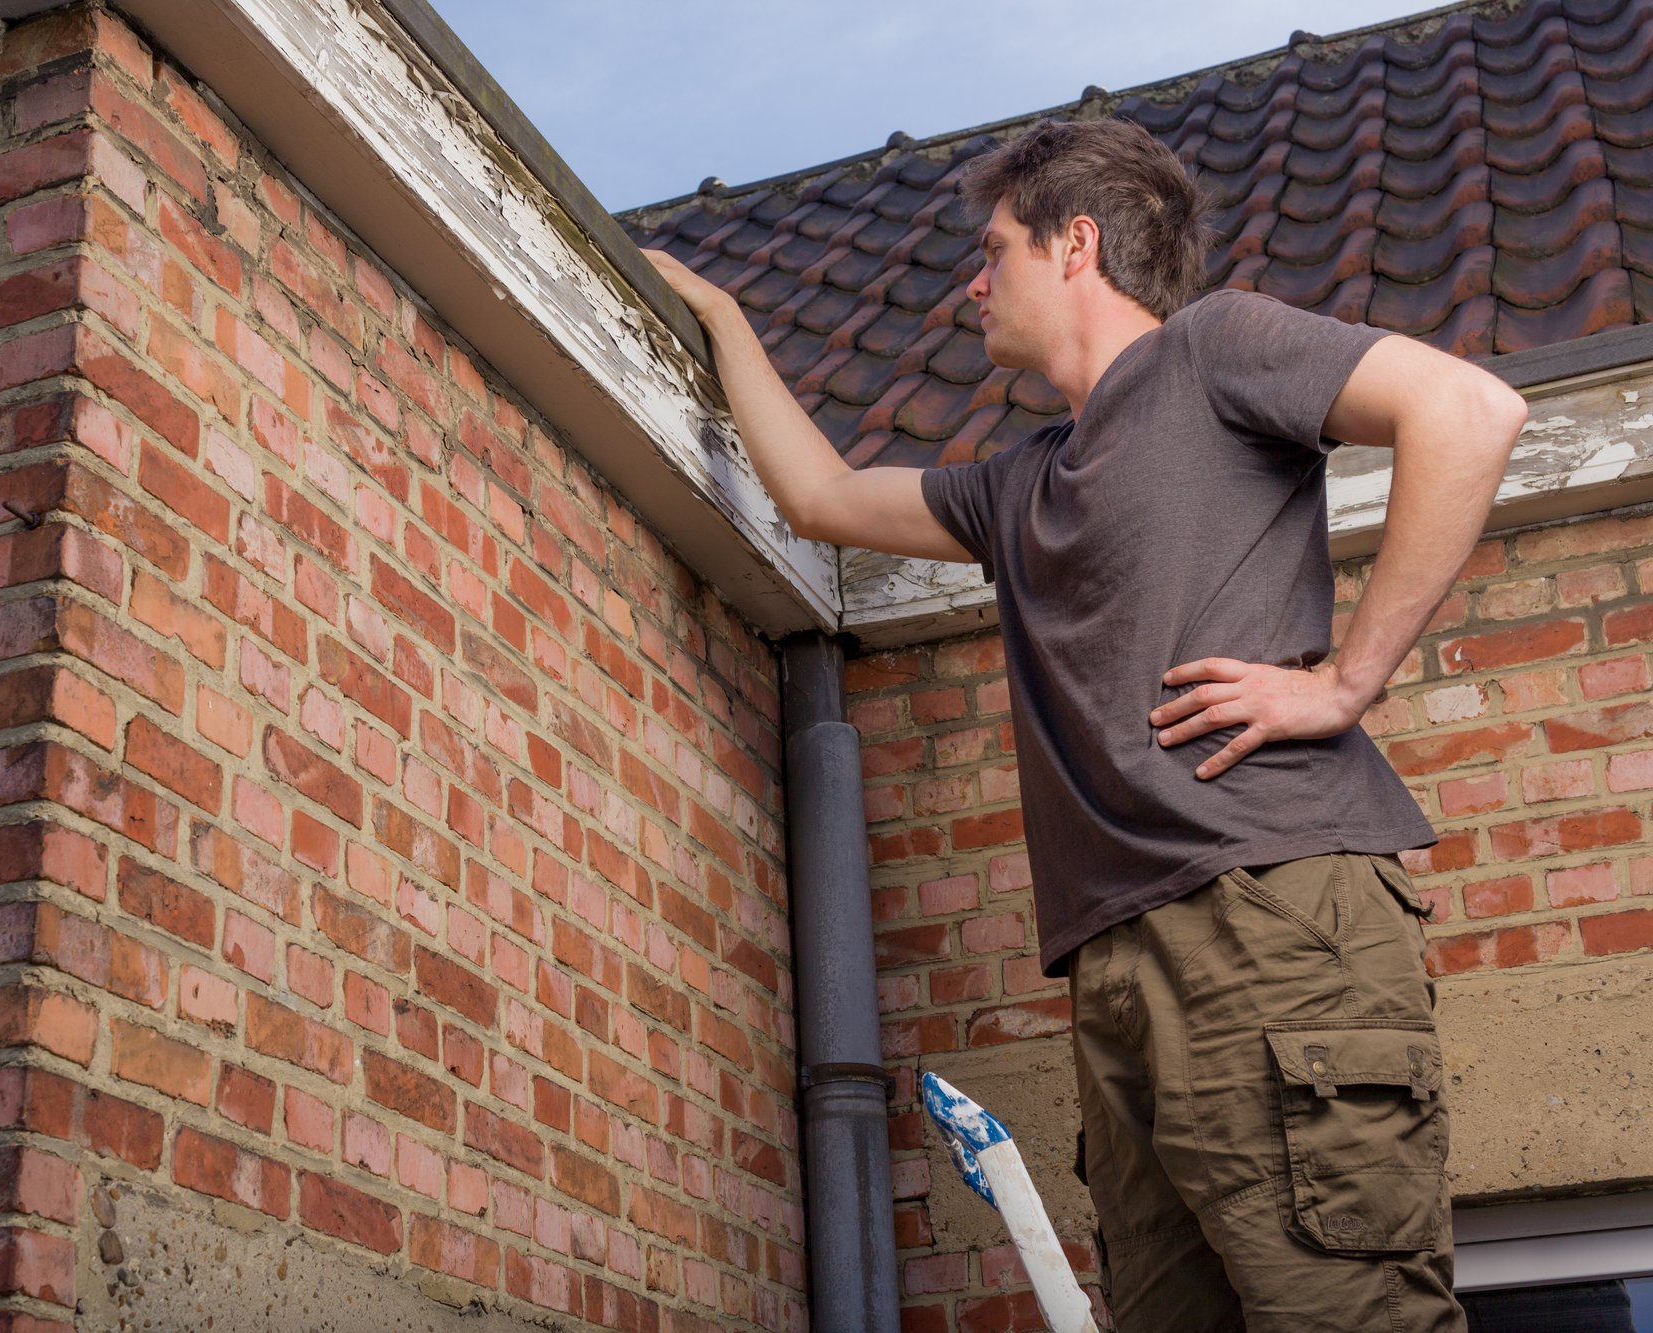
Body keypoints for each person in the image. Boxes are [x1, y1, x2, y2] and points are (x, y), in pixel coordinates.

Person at [645, 117, 1526, 1332]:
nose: (972, 279)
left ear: (1075, 243)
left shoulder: (1212, 350)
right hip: (1115, 957)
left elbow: (1468, 410)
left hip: (1262, 911)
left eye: (991, 247)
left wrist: (1341, 684)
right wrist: (720, 316)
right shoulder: (1018, 484)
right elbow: (820, 496)